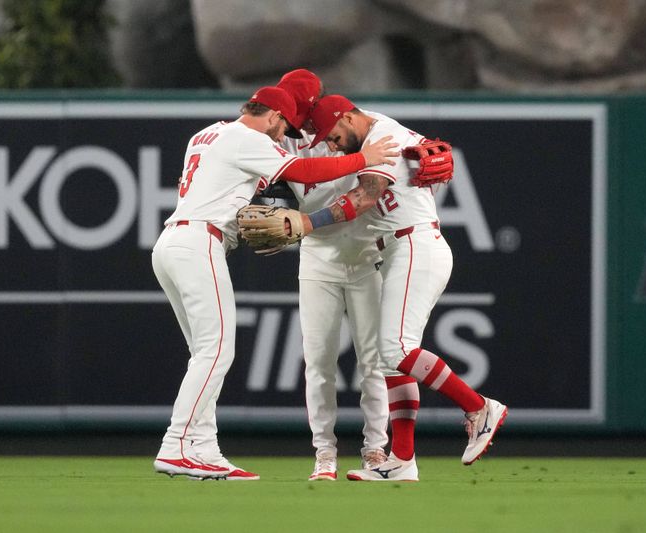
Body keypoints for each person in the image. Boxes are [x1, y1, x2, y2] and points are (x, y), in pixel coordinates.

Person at [152, 86, 399, 480]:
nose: (282, 137)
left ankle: (205, 448)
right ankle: (176, 444)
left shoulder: (206, 134)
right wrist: (362, 159)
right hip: (199, 243)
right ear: (273, 116)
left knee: (204, 352)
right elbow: (302, 171)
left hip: (171, 244)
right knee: (216, 351)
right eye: (282, 128)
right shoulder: (246, 137)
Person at [300, 94, 508, 481]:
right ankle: (402, 459)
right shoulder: (372, 127)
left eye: (331, 135)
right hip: (399, 248)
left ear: (347, 117)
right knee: (388, 357)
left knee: (396, 347)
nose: (331, 145)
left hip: (414, 245)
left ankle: (479, 407)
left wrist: (306, 224)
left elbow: (366, 197)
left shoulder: (385, 135)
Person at [274, 69, 389, 480]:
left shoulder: (364, 128)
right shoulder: (283, 139)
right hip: (317, 257)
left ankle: (375, 449)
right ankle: (324, 452)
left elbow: (373, 187)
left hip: (365, 255)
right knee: (318, 360)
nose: (299, 119)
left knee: (373, 360)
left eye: (303, 108)